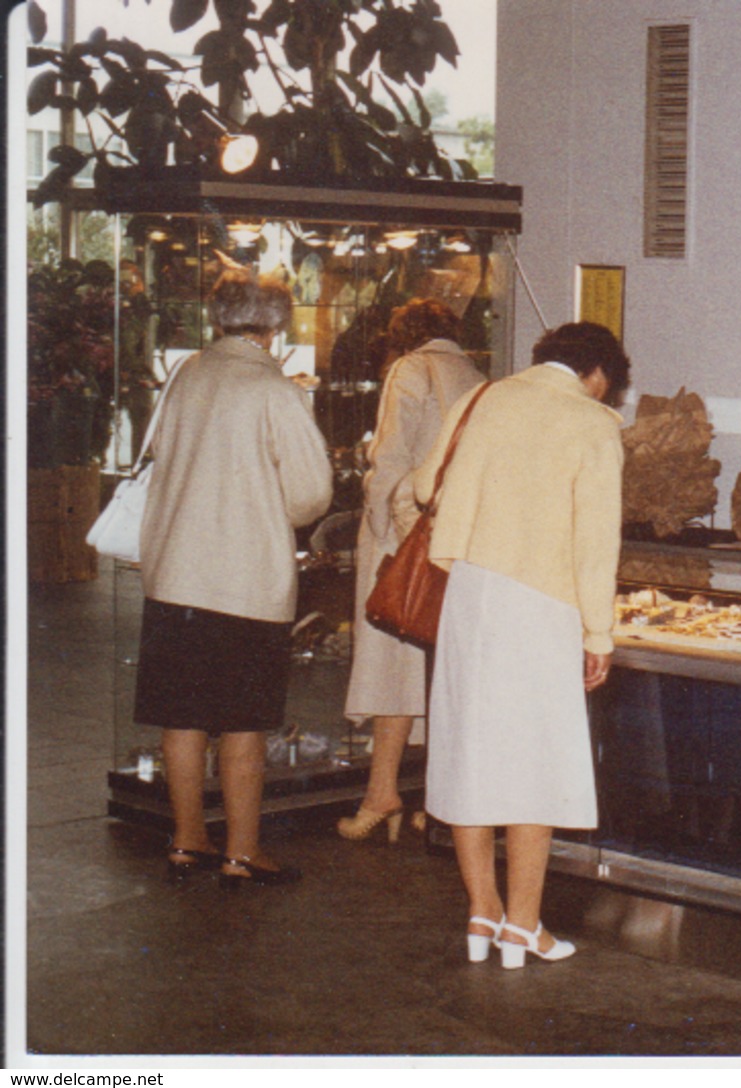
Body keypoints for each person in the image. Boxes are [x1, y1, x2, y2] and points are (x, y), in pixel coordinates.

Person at [414, 322, 629, 967]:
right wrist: (599, 633)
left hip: (471, 596)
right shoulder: (593, 423)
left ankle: (482, 912)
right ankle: (524, 926)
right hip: (542, 606)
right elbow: (596, 546)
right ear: (598, 375)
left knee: (468, 756)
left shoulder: (484, 398)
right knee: (532, 766)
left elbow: (426, 489)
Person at [134, 269, 333, 887]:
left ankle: (187, 839)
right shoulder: (273, 390)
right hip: (244, 581)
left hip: (174, 575)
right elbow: (311, 494)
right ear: (276, 327)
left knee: (183, 717)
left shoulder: (187, 375)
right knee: (244, 723)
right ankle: (243, 852)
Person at [338, 299, 483, 842]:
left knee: (389, 666)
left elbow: (390, 458)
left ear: (403, 337)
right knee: (435, 675)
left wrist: (379, 530)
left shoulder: (410, 369)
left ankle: (382, 794)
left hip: (404, 539)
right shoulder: (477, 377)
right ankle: (429, 800)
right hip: (456, 541)